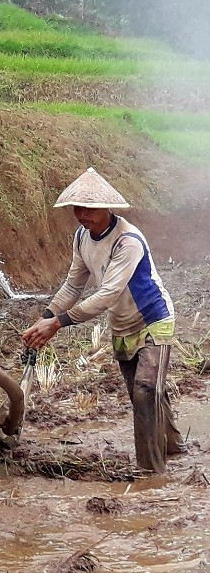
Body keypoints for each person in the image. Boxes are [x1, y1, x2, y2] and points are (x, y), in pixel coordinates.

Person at [22, 167, 184, 473]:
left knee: (146, 389)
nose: (83, 215)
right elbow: (73, 285)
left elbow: (108, 293)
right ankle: (174, 445)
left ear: (107, 208)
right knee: (145, 394)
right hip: (122, 325)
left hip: (153, 319)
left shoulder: (127, 241)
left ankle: (151, 471)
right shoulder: (82, 237)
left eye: (90, 208)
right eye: (78, 208)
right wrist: (45, 317)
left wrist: (58, 323)